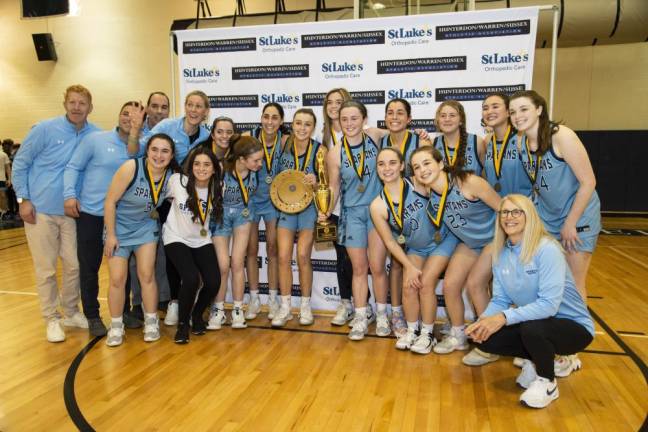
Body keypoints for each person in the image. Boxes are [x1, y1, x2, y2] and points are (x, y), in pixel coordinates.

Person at [466, 194, 594, 409]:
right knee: (485, 338)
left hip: (574, 328)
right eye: (505, 212)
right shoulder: (501, 253)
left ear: (529, 216)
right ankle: (536, 361)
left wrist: (503, 317)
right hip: (536, 323)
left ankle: (547, 382)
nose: (509, 217)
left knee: (533, 329)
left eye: (517, 212)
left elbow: (549, 305)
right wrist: (484, 320)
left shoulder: (547, 249)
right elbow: (501, 299)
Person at [511, 90, 601, 377]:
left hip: (577, 217)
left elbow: (588, 182)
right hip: (548, 219)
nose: (517, 116)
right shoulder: (521, 141)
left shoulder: (562, 136)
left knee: (573, 284)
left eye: (523, 109)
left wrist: (571, 222)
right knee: (542, 280)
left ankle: (570, 350)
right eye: (513, 112)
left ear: (539, 109)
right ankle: (542, 344)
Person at [12, 84, 100, 342]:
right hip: (41, 211)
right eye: (72, 102)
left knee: (75, 265)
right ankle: (52, 318)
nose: (76, 107)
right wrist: (22, 198)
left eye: (82, 103)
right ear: (65, 104)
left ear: (90, 107)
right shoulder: (44, 130)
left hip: (74, 212)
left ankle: (71, 311)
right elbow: (20, 164)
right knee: (46, 269)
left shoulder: (94, 135)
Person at [461, 92, 533, 367]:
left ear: (509, 111)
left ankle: (530, 347)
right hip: (500, 222)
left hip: (525, 222)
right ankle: (490, 343)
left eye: (496, 106)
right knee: (476, 282)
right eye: (485, 107)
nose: (489, 111)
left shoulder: (525, 140)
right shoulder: (488, 142)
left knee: (526, 289)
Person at [63, 101, 144, 336]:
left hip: (122, 218)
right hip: (92, 214)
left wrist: (137, 132)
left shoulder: (141, 145)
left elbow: (133, 154)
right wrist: (70, 195)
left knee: (122, 267)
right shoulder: (95, 139)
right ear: (118, 116)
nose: (129, 118)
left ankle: (124, 311)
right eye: (125, 113)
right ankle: (92, 315)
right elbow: (73, 167)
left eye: (136, 115)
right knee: (89, 267)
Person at [370, 147, 458, 354]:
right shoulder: (377, 205)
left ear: (402, 166)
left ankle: (428, 334)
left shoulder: (417, 182)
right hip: (416, 248)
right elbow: (391, 243)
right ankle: (412, 330)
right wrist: (408, 266)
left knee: (426, 283)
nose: (387, 168)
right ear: (377, 169)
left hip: (442, 240)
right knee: (409, 285)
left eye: (392, 163)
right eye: (381, 164)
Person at [415, 146, 501, 354]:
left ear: (440, 164)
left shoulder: (468, 182)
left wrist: (504, 242)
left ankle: (491, 343)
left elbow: (503, 208)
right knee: (450, 286)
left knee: (475, 284)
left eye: (427, 163)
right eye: (416, 167)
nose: (422, 170)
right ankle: (459, 335)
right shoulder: (429, 192)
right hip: (469, 243)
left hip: (494, 238)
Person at [103, 134, 180, 346]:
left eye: (165, 151)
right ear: (147, 151)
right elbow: (110, 201)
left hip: (145, 227)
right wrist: (110, 235)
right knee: (118, 278)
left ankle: (151, 321)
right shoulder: (131, 168)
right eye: (154, 149)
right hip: (118, 227)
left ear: (171, 155)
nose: (159, 155)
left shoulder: (172, 177)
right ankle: (116, 325)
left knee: (146, 275)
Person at [325, 100, 389, 341]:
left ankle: (382, 314)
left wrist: (422, 134)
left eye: (354, 118)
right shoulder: (335, 152)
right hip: (351, 214)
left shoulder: (374, 136)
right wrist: (326, 210)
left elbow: (398, 132)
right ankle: (362, 315)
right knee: (359, 269)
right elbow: (333, 186)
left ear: (364, 119)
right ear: (339, 122)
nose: (349, 123)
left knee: (378, 267)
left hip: (376, 212)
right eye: (344, 119)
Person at [379, 98, 433, 337]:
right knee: (396, 265)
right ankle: (397, 312)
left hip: (418, 211)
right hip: (391, 209)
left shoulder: (419, 140)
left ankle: (423, 321)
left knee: (417, 270)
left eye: (400, 113)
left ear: (409, 119)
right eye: (390, 113)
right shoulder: (380, 140)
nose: (395, 117)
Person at [163, 147, 223, 343]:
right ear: (191, 166)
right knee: (190, 278)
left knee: (214, 281)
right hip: (176, 237)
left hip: (201, 238)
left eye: (207, 164)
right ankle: (182, 326)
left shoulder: (217, 186)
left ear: (214, 169)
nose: (201, 168)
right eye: (197, 164)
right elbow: (158, 196)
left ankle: (196, 315)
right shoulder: (178, 182)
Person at [273, 109, 325, 327]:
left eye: (307, 124)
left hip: (309, 209)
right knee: (283, 256)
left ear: (313, 127)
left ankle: (305, 306)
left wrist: (317, 182)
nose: (302, 128)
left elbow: (326, 184)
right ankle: (285, 308)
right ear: (292, 125)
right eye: (298, 123)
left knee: (303, 255)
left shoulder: (320, 150)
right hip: (285, 208)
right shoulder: (283, 143)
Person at [208, 135, 264, 330]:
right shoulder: (222, 169)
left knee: (237, 262)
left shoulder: (255, 172)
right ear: (241, 159)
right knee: (222, 265)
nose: (260, 164)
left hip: (243, 214)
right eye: (256, 160)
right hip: (221, 216)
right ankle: (219, 309)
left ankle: (238, 309)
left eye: (261, 159)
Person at [243, 103, 287, 320]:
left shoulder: (286, 141)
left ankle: (272, 298)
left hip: (273, 201)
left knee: (272, 248)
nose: (270, 121)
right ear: (261, 118)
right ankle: (253, 298)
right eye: (266, 116)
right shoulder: (247, 138)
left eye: (275, 118)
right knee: (251, 249)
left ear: (281, 122)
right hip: (249, 199)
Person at [317, 88, 355, 326]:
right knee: (342, 257)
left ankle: (364, 304)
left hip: (357, 208)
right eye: (329, 102)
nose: (334, 106)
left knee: (356, 259)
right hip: (332, 208)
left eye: (339, 102)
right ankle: (346, 303)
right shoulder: (323, 136)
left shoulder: (359, 132)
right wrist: (324, 207)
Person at [433, 100, 485, 175]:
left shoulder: (477, 142)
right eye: (443, 116)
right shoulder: (432, 144)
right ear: (438, 120)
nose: (447, 119)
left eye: (452, 115)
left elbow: (486, 175)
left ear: (461, 120)